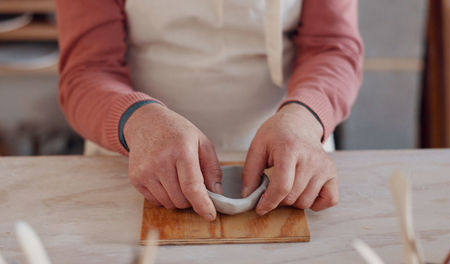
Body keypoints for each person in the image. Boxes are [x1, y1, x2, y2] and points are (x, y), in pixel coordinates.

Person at [55, 0, 363, 221]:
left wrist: (305, 118)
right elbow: (87, 71)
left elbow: (331, 47)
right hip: (136, 154)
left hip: (290, 154)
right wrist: (138, 121)